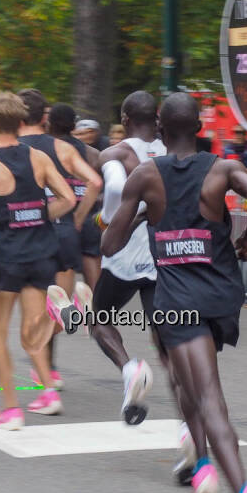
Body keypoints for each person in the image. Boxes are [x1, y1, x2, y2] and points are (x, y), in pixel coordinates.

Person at [102, 92, 247, 493]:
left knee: (207, 398)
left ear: (160, 127)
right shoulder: (219, 168)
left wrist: (140, 217)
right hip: (220, 295)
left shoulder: (146, 175)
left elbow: (108, 241)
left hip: (178, 304)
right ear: (199, 127)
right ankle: (201, 471)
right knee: (192, 384)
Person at [0, 92, 83, 428]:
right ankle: (49, 392)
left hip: (5, 258)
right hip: (40, 255)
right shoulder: (38, 158)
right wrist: (41, 215)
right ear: (20, 123)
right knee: (32, 331)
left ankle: (11, 409)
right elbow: (69, 197)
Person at [90, 91, 168, 427]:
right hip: (164, 252)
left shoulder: (117, 152)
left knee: (99, 320)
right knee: (164, 333)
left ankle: (129, 369)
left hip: (124, 250)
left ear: (124, 119)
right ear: (157, 118)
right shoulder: (173, 150)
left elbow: (112, 187)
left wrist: (108, 220)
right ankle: (190, 419)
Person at [18, 90, 101, 394]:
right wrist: (78, 217)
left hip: (28, 235)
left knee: (30, 316)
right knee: (55, 308)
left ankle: (45, 371)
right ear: (44, 117)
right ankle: (48, 366)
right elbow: (95, 182)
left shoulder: (10, 149)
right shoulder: (62, 148)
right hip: (65, 231)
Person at [48, 102, 104, 289]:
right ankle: (99, 315)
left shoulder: (47, 150)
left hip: (61, 217)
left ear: (49, 123)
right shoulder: (93, 153)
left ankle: (60, 316)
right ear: (74, 126)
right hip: (87, 213)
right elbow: (99, 185)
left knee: (62, 278)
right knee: (91, 264)